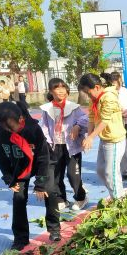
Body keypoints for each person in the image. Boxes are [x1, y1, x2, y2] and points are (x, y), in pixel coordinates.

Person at [0, 102, 60, 248]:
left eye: (12, 126)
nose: (9, 130)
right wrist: (9, 178)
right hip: (21, 167)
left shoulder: (32, 129)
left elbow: (43, 157)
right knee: (18, 198)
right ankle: (20, 238)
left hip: (43, 163)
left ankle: (54, 228)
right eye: (5, 127)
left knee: (49, 191)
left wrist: (40, 183)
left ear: (20, 119)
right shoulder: (2, 132)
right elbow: (1, 156)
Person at [39, 78, 89, 212]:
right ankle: (61, 199)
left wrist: (77, 126)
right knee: (56, 175)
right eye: (57, 88)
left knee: (73, 175)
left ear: (67, 90)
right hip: (55, 146)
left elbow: (85, 119)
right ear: (51, 91)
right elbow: (44, 126)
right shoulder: (47, 108)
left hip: (72, 147)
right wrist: (47, 142)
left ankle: (81, 197)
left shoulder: (73, 107)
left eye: (63, 88)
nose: (61, 91)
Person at [78, 73, 127, 201]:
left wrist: (91, 138)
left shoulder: (108, 97)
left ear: (97, 87)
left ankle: (119, 201)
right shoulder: (94, 99)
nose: (88, 96)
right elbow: (91, 118)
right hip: (104, 139)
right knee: (100, 170)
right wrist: (88, 137)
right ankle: (117, 195)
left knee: (111, 173)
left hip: (115, 140)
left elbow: (105, 121)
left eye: (88, 92)